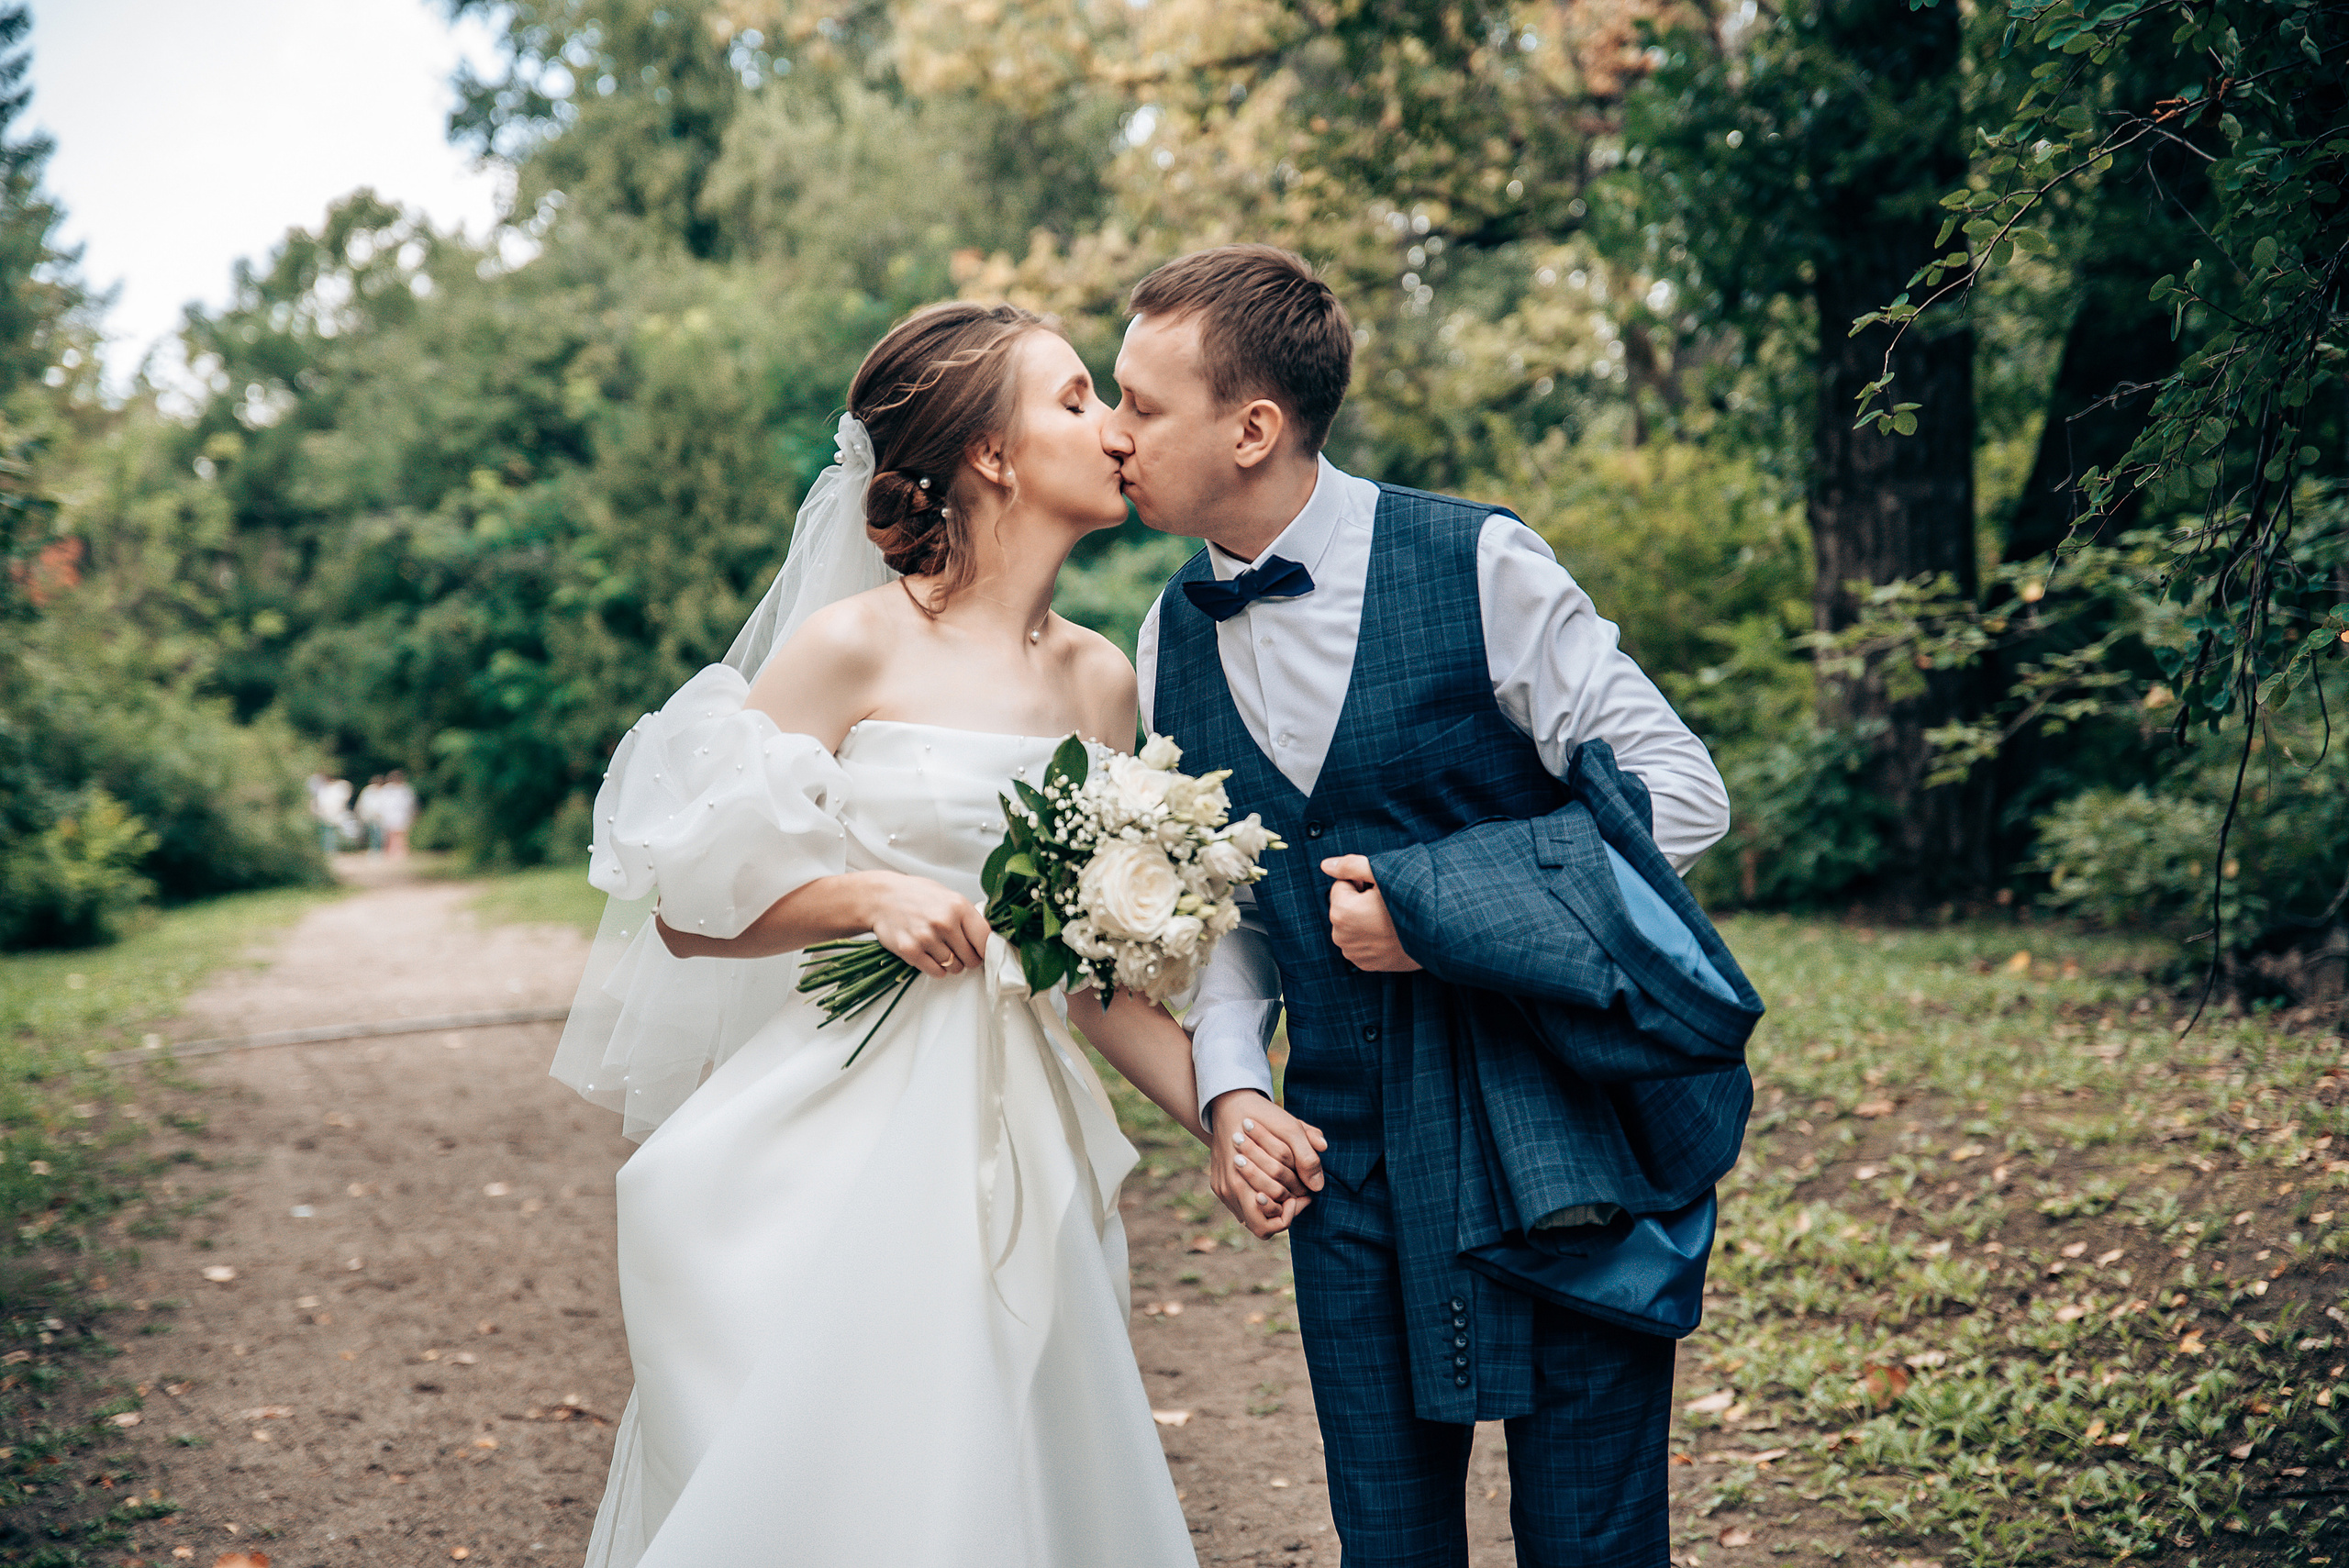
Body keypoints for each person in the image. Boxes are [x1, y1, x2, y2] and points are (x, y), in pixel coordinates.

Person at [551, 303, 1236, 1568]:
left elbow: (1089, 971)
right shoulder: (854, 644)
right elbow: (691, 910)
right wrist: (870, 898)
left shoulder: (1101, 681)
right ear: (990, 454)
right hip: (840, 1128)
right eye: (1078, 399)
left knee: (1015, 1463)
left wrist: (1234, 1116)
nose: (1114, 430)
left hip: (1019, 1127)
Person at [1112, 245, 1741, 1567]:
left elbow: (1683, 794)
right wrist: (1233, 1094)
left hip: (1556, 1146)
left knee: (1591, 1539)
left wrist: (1443, 908)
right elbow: (1225, 915)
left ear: (1253, 427)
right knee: (1388, 1544)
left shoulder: (1481, 562)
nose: (1112, 437)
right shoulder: (1167, 639)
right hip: (1349, 1170)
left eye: (1139, 404)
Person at [374, 770, 417, 859]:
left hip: (402, 814)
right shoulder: (387, 789)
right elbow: (382, 803)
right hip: (389, 815)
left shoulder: (406, 789)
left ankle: (402, 852)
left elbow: (410, 803)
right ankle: (391, 852)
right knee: (391, 834)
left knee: (401, 834)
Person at [313, 773, 351, 857]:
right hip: (324, 815)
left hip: (333, 814)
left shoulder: (336, 788)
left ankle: (331, 850)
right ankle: (327, 851)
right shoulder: (324, 789)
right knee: (326, 833)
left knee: (331, 834)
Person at [354, 775, 386, 854]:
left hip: (381, 817)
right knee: (374, 834)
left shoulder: (383, 791)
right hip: (371, 816)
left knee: (379, 834)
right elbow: (364, 804)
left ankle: (378, 849)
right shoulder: (368, 791)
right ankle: (375, 849)